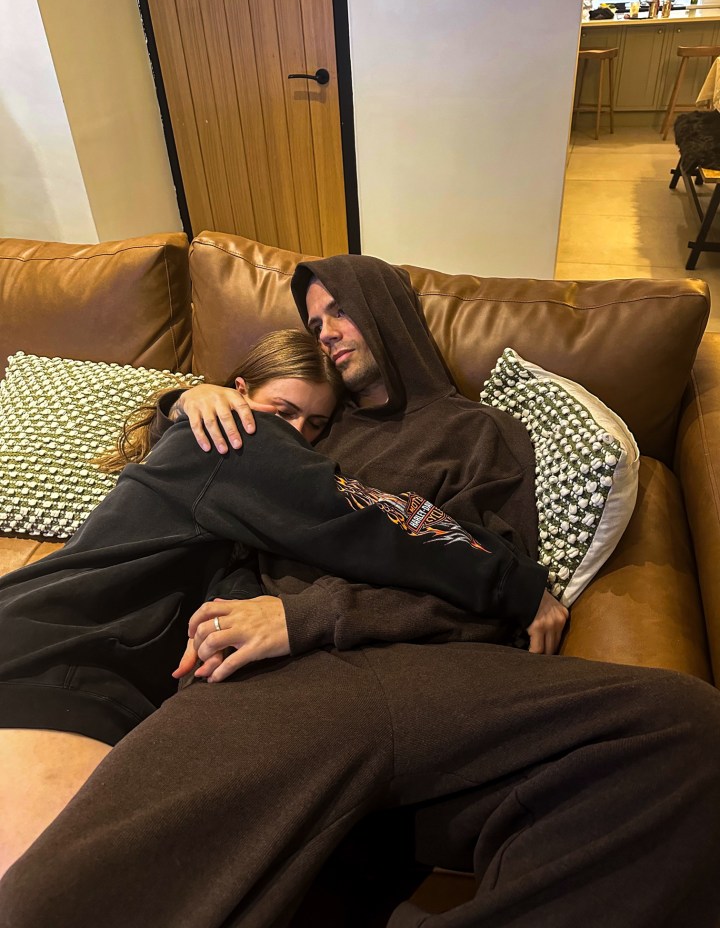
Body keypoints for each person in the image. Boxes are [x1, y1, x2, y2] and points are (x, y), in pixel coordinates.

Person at [1, 255, 719, 928]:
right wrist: (185, 402)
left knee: (683, 731)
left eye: (339, 310)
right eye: (314, 323)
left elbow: (467, 563)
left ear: (388, 312)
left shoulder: (479, 432)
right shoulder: (279, 435)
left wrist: (314, 614)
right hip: (242, 686)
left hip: (404, 671)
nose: (327, 334)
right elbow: (244, 525)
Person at [0, 325, 550, 879]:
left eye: (315, 425)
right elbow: (369, 527)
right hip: (57, 661)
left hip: (84, 666)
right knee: (62, 891)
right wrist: (520, 586)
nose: (297, 437)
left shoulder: (220, 451)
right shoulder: (238, 441)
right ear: (240, 393)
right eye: (282, 410)